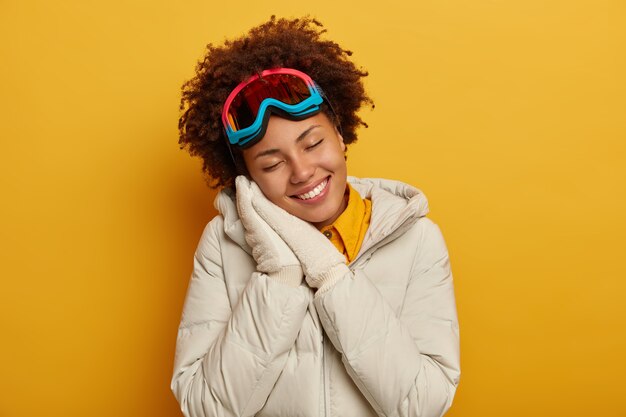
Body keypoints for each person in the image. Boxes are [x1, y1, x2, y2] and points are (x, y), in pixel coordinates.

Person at [171, 16, 460, 417]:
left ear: (340, 136)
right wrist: (279, 276)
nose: (302, 172)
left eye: (313, 143)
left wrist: (329, 273)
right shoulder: (222, 244)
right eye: (272, 165)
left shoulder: (417, 238)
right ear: (247, 180)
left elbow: (422, 404)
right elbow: (206, 408)